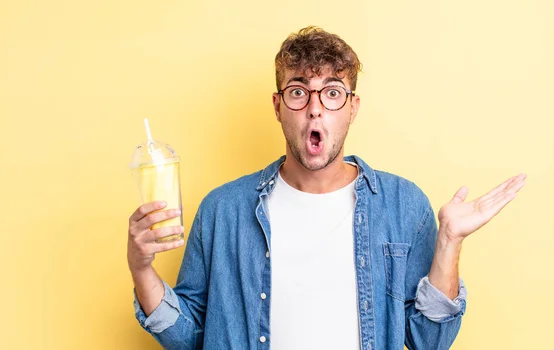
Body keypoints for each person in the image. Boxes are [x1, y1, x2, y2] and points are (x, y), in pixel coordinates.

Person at [127, 26, 526, 349]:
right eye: (298, 91)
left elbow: (428, 340)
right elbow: (190, 336)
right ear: (278, 105)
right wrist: (141, 268)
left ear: (352, 107)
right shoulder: (223, 209)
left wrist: (450, 242)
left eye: (332, 92)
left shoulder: (403, 205)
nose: (315, 108)